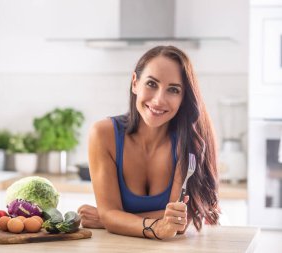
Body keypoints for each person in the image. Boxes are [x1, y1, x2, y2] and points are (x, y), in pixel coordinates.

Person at [78, 45, 220, 240]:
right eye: (152, 84)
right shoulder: (103, 135)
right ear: (135, 83)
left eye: (173, 90)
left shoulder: (189, 143)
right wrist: (113, 218)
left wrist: (111, 220)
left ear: (183, 97)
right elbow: (112, 215)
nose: (159, 100)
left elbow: (179, 223)